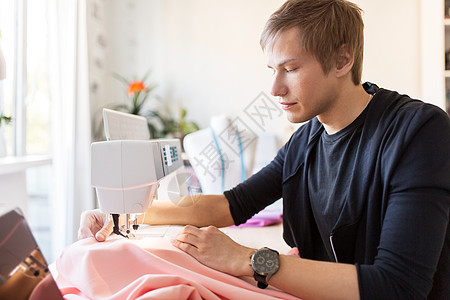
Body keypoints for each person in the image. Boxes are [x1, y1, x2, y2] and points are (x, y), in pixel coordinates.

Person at [78, 0, 450, 299]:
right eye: (272, 69)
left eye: (289, 68)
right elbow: (230, 205)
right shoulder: (305, 142)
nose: (274, 88)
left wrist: (248, 259)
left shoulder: (417, 132)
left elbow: (399, 286)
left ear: (342, 60)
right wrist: (118, 212)